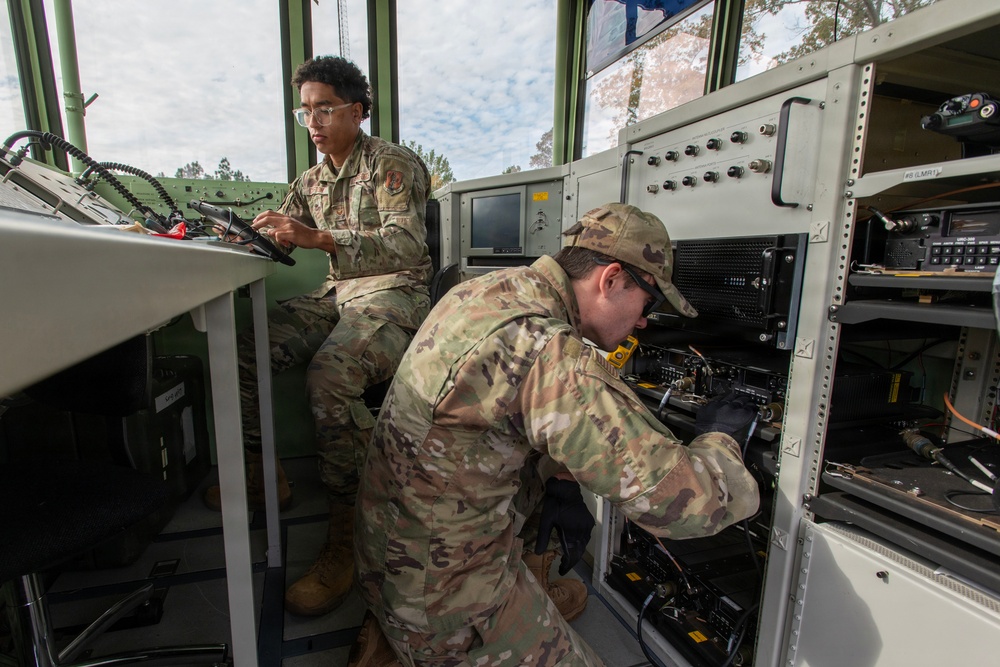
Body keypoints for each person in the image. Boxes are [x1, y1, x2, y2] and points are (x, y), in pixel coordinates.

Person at [352, 202, 762, 666]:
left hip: (384, 546)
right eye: (648, 303)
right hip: (439, 593)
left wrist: (561, 478)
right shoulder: (546, 349)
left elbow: (492, 421)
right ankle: (425, 644)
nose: (643, 322)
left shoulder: (486, 290)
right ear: (611, 280)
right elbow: (686, 506)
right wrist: (720, 439)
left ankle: (400, 633)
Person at [202, 55, 433, 618]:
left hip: (394, 293)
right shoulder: (311, 180)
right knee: (241, 347)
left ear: (357, 110)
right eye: (305, 110)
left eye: (324, 108)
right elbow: (280, 234)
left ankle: (348, 535)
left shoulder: (392, 164)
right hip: (336, 295)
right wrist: (241, 236)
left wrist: (319, 238)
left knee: (330, 377)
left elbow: (407, 245)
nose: (313, 121)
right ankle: (265, 478)